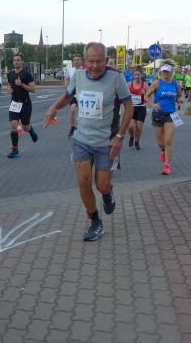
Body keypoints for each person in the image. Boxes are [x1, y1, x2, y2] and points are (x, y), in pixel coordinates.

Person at [43, 42, 133, 242]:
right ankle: (95, 221)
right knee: (83, 182)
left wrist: (120, 137)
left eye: (99, 61)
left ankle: (107, 193)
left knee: (102, 186)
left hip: (106, 141)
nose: (94, 66)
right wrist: (53, 108)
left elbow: (129, 107)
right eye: (90, 61)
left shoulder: (116, 78)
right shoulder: (79, 75)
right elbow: (67, 96)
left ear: (105, 60)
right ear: (84, 61)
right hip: (81, 138)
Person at [146, 62, 182, 175]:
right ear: (161, 72)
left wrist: (180, 100)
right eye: (164, 71)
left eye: (168, 71)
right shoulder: (157, 83)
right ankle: (163, 150)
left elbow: (180, 95)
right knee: (160, 143)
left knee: (168, 141)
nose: (166, 73)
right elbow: (146, 95)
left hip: (171, 114)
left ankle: (167, 165)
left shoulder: (175, 84)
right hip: (158, 114)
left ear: (172, 72)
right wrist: (153, 105)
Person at [7, 53, 37, 157]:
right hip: (14, 103)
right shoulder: (10, 74)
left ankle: (31, 130)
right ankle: (15, 150)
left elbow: (33, 89)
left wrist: (22, 85)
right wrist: (9, 89)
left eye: (18, 60)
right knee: (13, 125)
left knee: (25, 127)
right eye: (14, 60)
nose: (16, 62)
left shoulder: (26, 74)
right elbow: (9, 85)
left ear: (22, 62)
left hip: (25, 104)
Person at [127, 69, 148, 150]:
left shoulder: (145, 85)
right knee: (130, 127)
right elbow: (125, 95)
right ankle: (131, 137)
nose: (137, 76)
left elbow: (150, 96)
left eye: (138, 74)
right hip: (132, 107)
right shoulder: (129, 84)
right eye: (135, 75)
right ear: (133, 75)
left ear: (141, 75)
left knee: (139, 127)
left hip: (141, 107)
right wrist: (129, 95)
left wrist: (145, 93)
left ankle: (137, 141)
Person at [66, 54, 83, 137]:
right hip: (73, 94)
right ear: (73, 62)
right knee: (73, 110)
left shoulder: (84, 70)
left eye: (78, 59)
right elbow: (66, 81)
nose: (76, 61)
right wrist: (67, 86)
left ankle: (80, 127)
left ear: (81, 61)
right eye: (75, 60)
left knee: (82, 113)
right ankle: (73, 127)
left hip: (82, 94)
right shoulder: (70, 70)